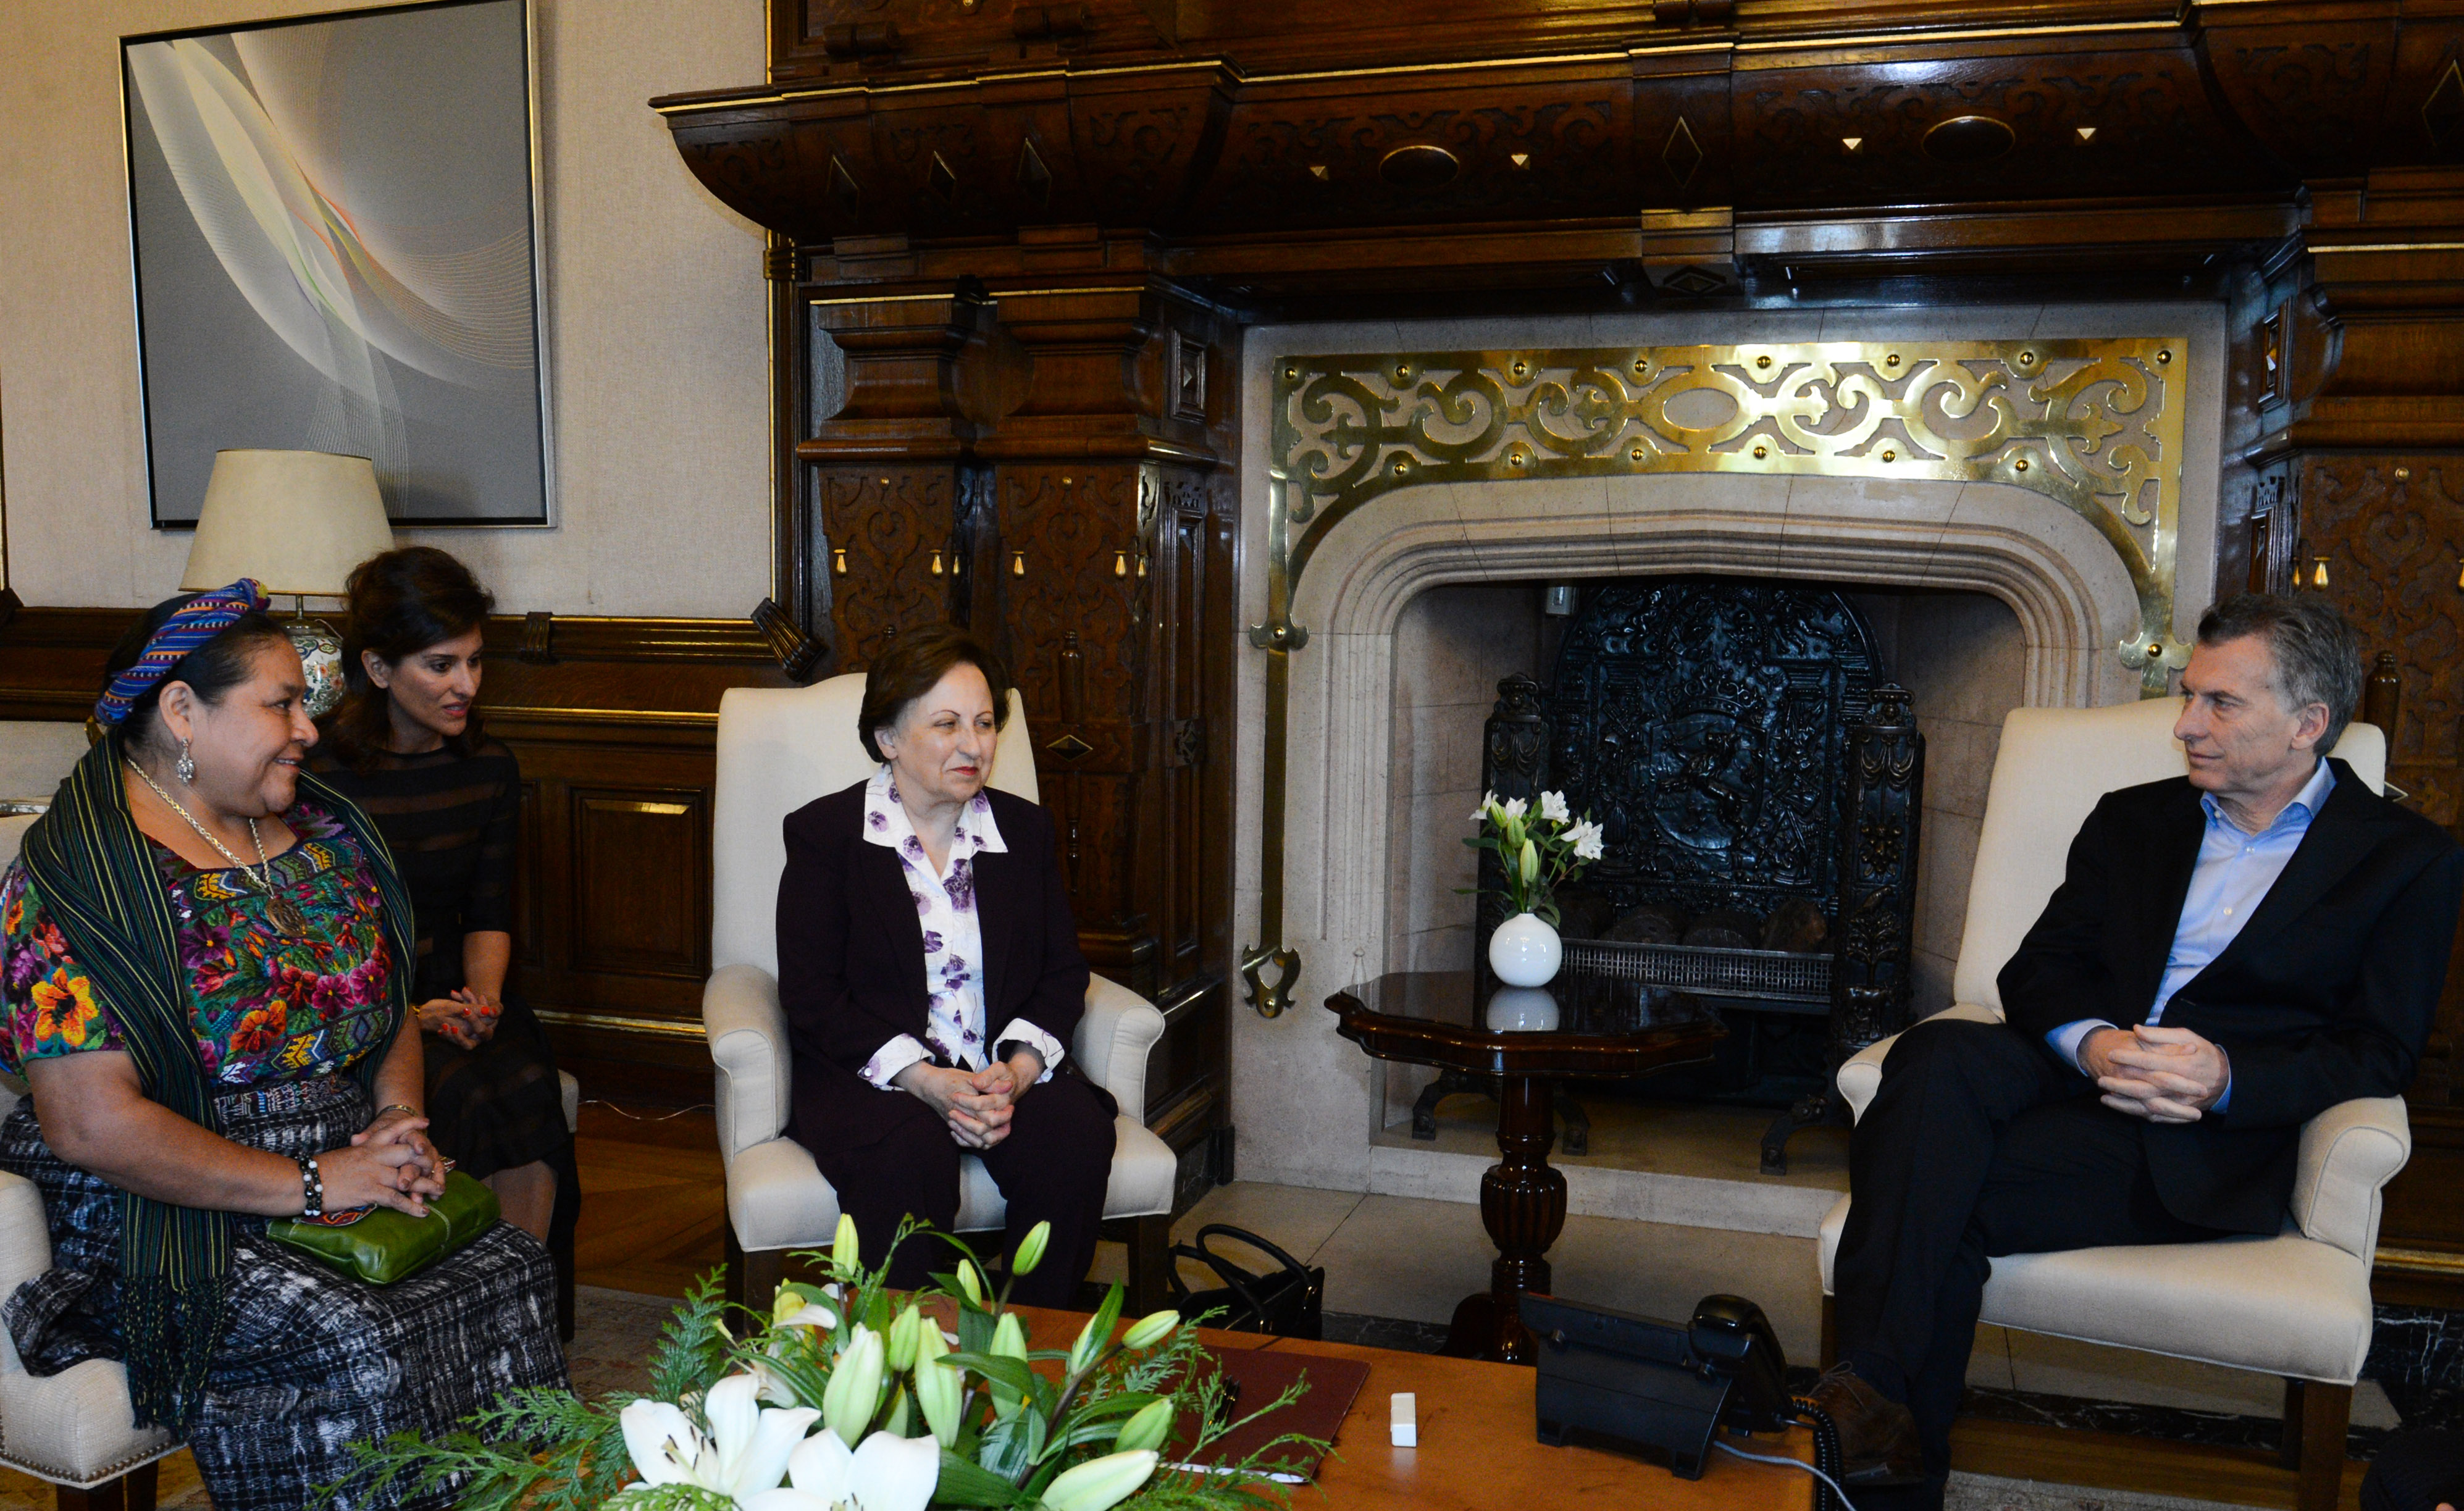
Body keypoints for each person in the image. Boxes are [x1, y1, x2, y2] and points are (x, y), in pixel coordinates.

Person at [1817, 592, 2464, 1510]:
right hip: (2064, 1075)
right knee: (1937, 1056)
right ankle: (1873, 1411)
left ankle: (1862, 1431)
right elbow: (2036, 968)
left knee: (1922, 1189)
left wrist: (2228, 1076)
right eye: (2186, 696)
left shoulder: (2405, 860)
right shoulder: (2136, 818)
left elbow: (2381, 1050)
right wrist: (2093, 1044)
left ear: (2307, 724)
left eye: (2219, 704)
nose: (2185, 725)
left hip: (2188, 1136)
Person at [0, 580, 566, 1511]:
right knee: (355, 1329)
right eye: (281, 702)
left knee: (507, 1268)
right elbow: (91, 1123)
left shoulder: (324, 832)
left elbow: (384, 1012)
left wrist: (396, 1124)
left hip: (337, 1147)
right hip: (154, 1202)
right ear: (183, 711)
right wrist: (316, 1181)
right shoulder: (78, 883)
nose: (308, 727)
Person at [776, 624, 1117, 1306]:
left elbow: (1061, 970)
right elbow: (814, 995)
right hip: (879, 1078)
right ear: (889, 739)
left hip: (996, 1069)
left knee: (1073, 1136)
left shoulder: (1022, 831)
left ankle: (1031, 1353)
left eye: (986, 723)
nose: (974, 744)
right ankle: (914, 1369)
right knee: (907, 1154)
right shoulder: (827, 835)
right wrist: (927, 1078)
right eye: (948, 723)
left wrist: (1018, 1072)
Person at [310, 546, 577, 1281]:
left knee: (522, 1081)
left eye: (475, 661)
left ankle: (518, 1298)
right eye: (440, 664)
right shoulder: (317, 775)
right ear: (377, 669)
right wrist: (410, 1015)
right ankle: (458, 1301)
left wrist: (483, 1000)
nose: (466, 685)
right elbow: (318, 938)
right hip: (358, 1000)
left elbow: (489, 907)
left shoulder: (490, 764)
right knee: (457, 1092)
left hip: (455, 979)